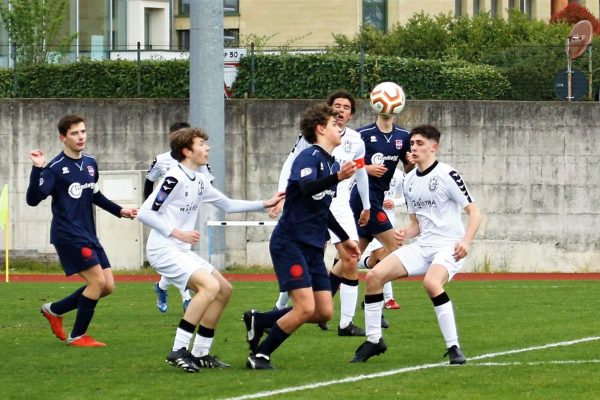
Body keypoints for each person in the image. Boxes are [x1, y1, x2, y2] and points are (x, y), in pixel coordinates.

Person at [137, 127, 284, 372]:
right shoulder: (174, 177)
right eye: (202, 144)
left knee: (224, 290)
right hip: (163, 248)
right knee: (210, 286)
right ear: (187, 151)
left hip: (180, 250)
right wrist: (177, 232)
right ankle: (178, 350)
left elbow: (225, 204)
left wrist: (263, 203)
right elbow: (144, 212)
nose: (207, 148)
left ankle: (201, 352)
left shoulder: (199, 179)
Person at [351, 124, 482, 365]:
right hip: (423, 245)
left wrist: (466, 241)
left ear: (434, 147)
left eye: (420, 144)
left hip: (449, 246)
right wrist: (404, 233)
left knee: (432, 283)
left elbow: (474, 212)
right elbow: (416, 223)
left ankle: (453, 347)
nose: (414, 148)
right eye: (412, 144)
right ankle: (373, 341)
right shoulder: (409, 180)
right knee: (373, 277)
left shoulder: (447, 174)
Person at [244, 103, 360, 370]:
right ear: (320, 129)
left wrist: (343, 239)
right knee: (305, 308)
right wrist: (338, 178)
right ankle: (260, 355)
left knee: (323, 311)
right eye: (333, 123)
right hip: (290, 243)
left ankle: (260, 321)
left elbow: (323, 209)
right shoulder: (308, 157)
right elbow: (307, 188)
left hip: (312, 246)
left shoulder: (331, 162)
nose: (339, 125)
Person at [26, 114, 138, 347]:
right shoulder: (54, 169)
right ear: (63, 138)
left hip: (88, 233)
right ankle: (78, 336)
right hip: (67, 235)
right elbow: (33, 200)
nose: (80, 137)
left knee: (107, 286)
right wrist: (38, 169)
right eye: (75, 133)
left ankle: (54, 310)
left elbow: (95, 194)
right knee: (96, 282)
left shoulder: (90, 163)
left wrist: (121, 211)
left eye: (83, 132)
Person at [269, 90, 370, 336]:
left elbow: (361, 172)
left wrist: (367, 205)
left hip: (337, 203)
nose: (341, 110)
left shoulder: (356, 141)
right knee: (309, 255)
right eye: (337, 106)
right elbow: (291, 164)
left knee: (350, 258)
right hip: (312, 201)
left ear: (351, 113)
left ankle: (345, 322)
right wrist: (281, 195)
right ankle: (284, 307)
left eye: (346, 107)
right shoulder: (312, 142)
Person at [345, 99, 414, 329]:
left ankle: (319, 304)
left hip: (376, 200)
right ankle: (374, 301)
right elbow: (345, 165)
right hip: (364, 201)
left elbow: (408, 168)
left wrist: (412, 162)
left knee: (349, 261)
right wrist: (366, 168)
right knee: (397, 250)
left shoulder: (403, 136)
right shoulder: (361, 134)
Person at [144, 122, 215, 314]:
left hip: (188, 209)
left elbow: (209, 182)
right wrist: (150, 207)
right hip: (167, 214)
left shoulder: (198, 158)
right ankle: (187, 298)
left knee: (181, 254)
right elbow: (149, 181)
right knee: (178, 255)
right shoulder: (161, 160)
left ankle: (162, 286)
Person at [359, 167, 405, 323]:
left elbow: (407, 196)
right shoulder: (367, 171)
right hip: (368, 219)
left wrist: (394, 202)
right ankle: (387, 299)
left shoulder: (398, 174)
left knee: (374, 262)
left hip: (387, 222)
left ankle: (375, 300)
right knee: (383, 258)